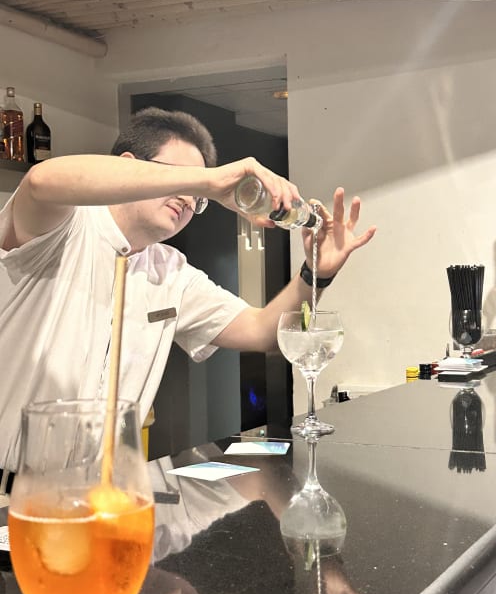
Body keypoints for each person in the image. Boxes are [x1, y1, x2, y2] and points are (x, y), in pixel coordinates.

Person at [0, 107, 377, 471]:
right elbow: (41, 182)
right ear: (130, 165)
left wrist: (316, 273)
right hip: (12, 491)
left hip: (105, 493)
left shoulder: (170, 271)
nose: (188, 198)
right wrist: (207, 181)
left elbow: (261, 330)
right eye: (178, 179)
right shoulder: (64, 227)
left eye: (197, 196)